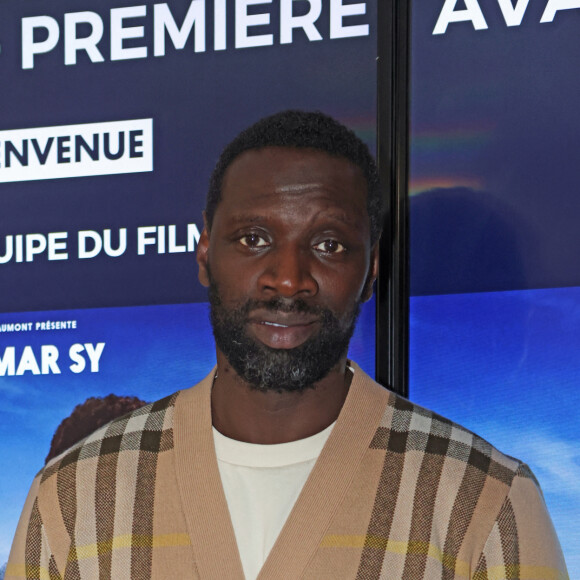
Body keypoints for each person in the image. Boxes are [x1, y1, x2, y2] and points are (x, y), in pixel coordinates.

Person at [7, 111, 567, 579]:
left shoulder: (485, 504)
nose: (288, 278)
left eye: (328, 244)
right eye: (254, 239)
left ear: (371, 270)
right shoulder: (76, 497)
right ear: (205, 254)